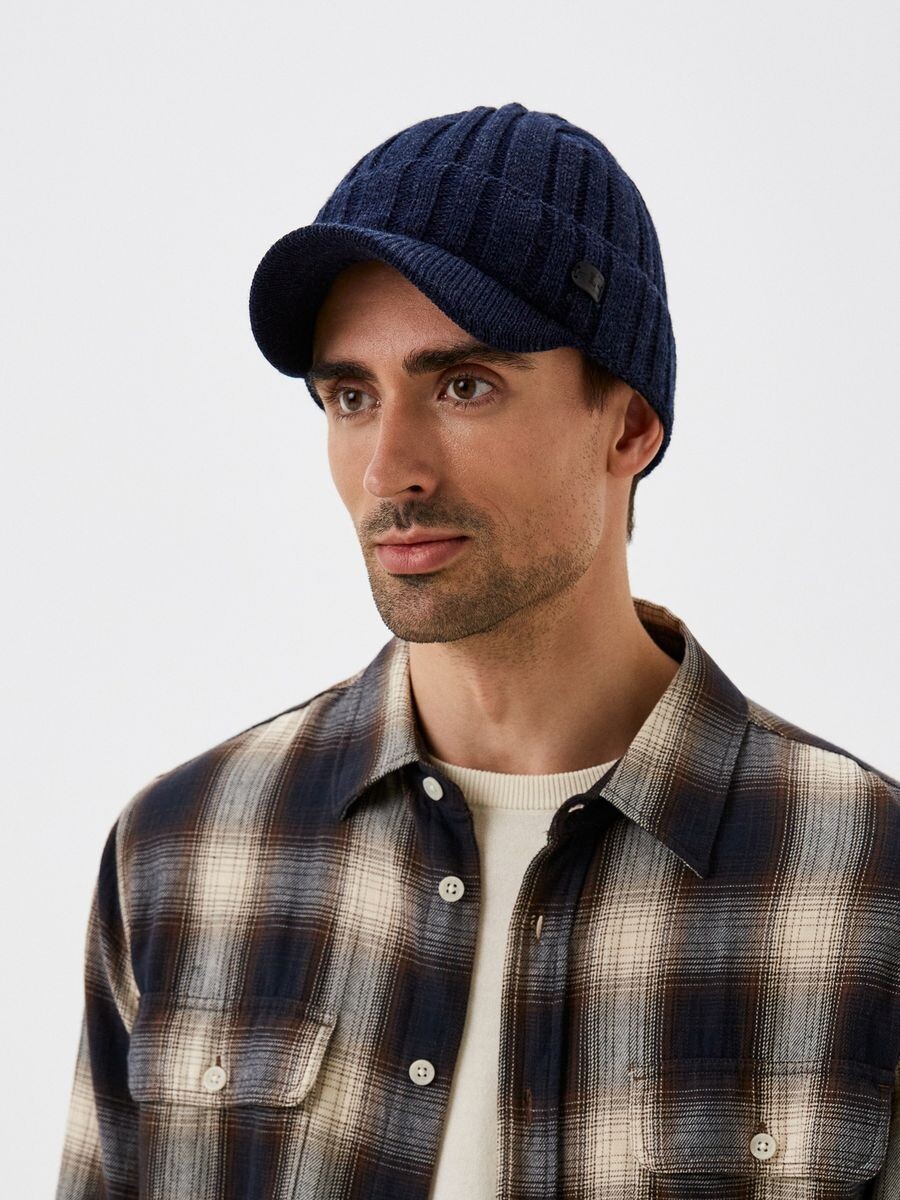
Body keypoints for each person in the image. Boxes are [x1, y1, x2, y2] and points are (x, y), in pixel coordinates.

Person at [55, 101, 900, 1200]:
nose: (388, 470)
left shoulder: (867, 879)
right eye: (350, 396)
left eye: (464, 386)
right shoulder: (183, 853)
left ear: (629, 425)